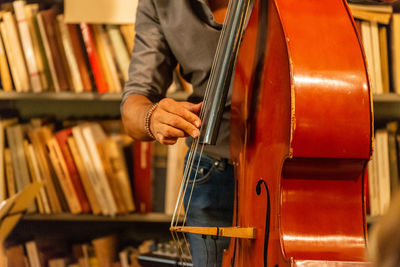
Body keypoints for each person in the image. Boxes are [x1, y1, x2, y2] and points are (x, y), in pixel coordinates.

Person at [121, 1, 233, 266]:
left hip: (291, 168)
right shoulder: (158, 4)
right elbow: (134, 104)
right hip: (211, 168)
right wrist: (151, 117)